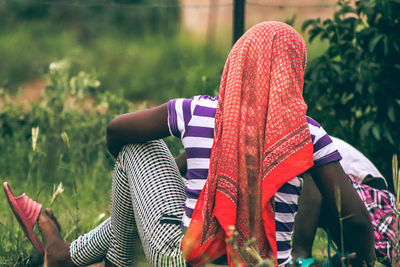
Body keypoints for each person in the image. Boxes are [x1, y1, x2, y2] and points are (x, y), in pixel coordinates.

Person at [3, 21, 375, 267]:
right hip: (265, 263)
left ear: (236, 64)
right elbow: (357, 220)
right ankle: (71, 255)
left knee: (137, 148)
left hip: (182, 257)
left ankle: (83, 257)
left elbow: (115, 132)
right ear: (294, 72)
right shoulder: (307, 134)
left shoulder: (198, 112)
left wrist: (142, 181)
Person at [291, 137, 399, 266]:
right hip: (343, 195)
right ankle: (348, 253)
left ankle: (301, 257)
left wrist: (300, 252)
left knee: (310, 176)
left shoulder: (302, 140)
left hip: (370, 194)